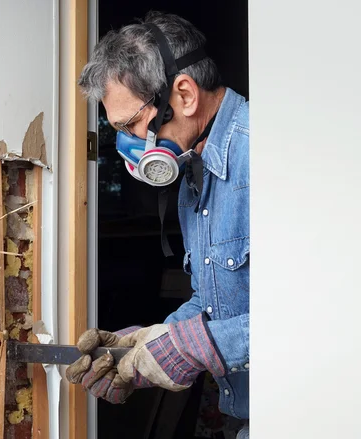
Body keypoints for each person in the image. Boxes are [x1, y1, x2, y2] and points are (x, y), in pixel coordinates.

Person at [65, 11, 250, 438]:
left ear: (183, 95)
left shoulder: (270, 156)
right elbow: (216, 303)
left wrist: (190, 348)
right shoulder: (193, 170)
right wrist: (149, 345)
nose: (128, 144)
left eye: (130, 124)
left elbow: (320, 317)